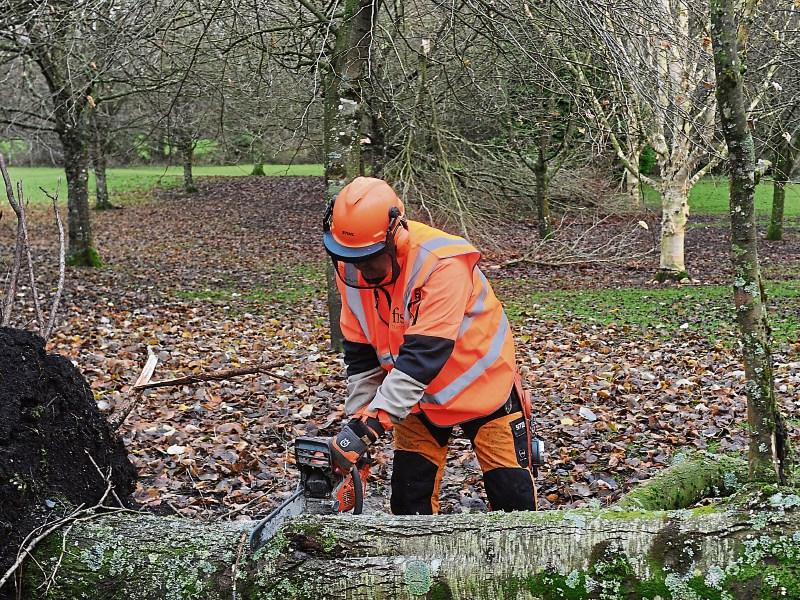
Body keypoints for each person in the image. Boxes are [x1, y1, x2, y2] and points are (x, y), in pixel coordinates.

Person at [322, 176, 536, 514]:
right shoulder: (350, 270)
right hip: (415, 398)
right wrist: (357, 427)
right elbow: (361, 355)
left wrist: (371, 426)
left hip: (483, 385)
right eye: (350, 256)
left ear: (395, 236)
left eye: (370, 257)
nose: (361, 267)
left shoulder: (441, 263)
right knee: (409, 502)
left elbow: (424, 356)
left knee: (513, 498)